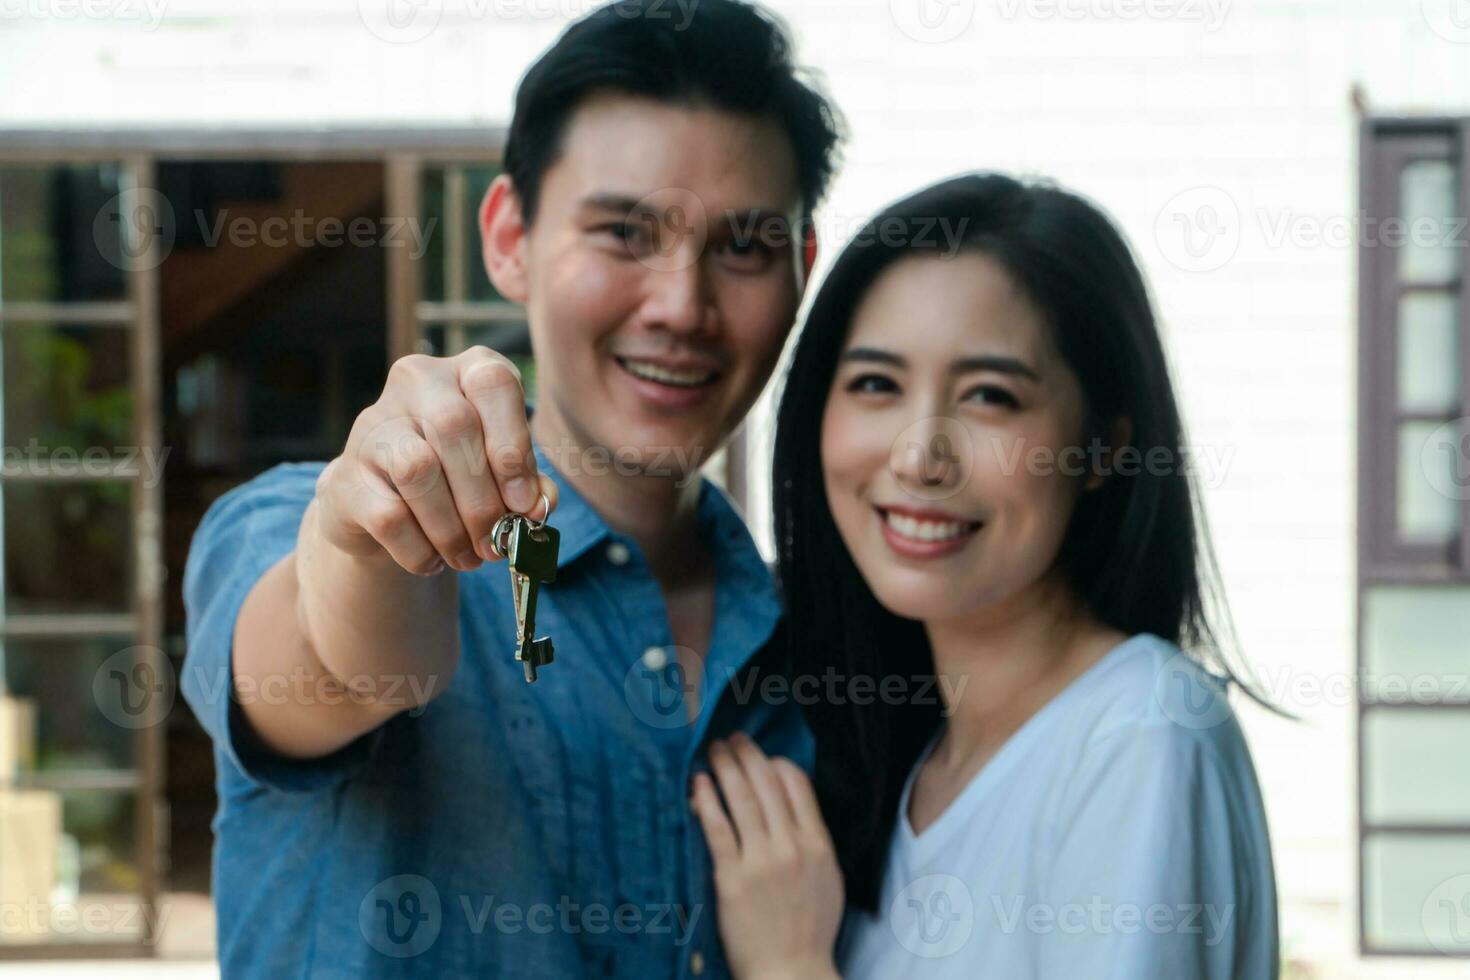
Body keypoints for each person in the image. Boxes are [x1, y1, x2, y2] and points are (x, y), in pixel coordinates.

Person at [180, 1, 843, 975]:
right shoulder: (299, 518)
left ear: (801, 270)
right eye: (624, 231)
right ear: (508, 237)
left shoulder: (812, 642)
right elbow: (347, 656)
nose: (682, 306)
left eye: (743, 246)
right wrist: (364, 542)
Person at [690, 173, 1280, 978]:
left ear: (1103, 449)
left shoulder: (1140, 734)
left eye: (990, 397)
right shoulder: (916, 762)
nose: (918, 454)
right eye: (876, 385)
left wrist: (790, 965)